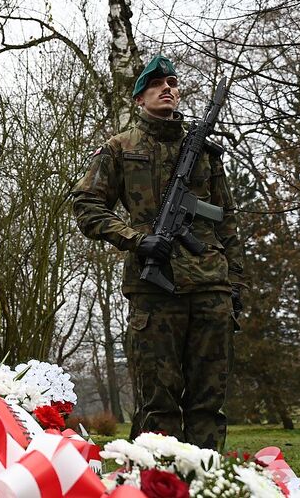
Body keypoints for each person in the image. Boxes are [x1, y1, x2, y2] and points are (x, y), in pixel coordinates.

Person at [71, 56, 245, 450]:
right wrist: (136, 238)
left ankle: (206, 481)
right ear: (139, 99)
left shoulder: (204, 152)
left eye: (172, 82)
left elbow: (227, 220)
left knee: (208, 403)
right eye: (155, 84)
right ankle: (158, 484)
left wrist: (236, 285)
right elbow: (86, 205)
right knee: (158, 404)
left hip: (210, 290)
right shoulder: (119, 149)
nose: (167, 88)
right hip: (155, 290)